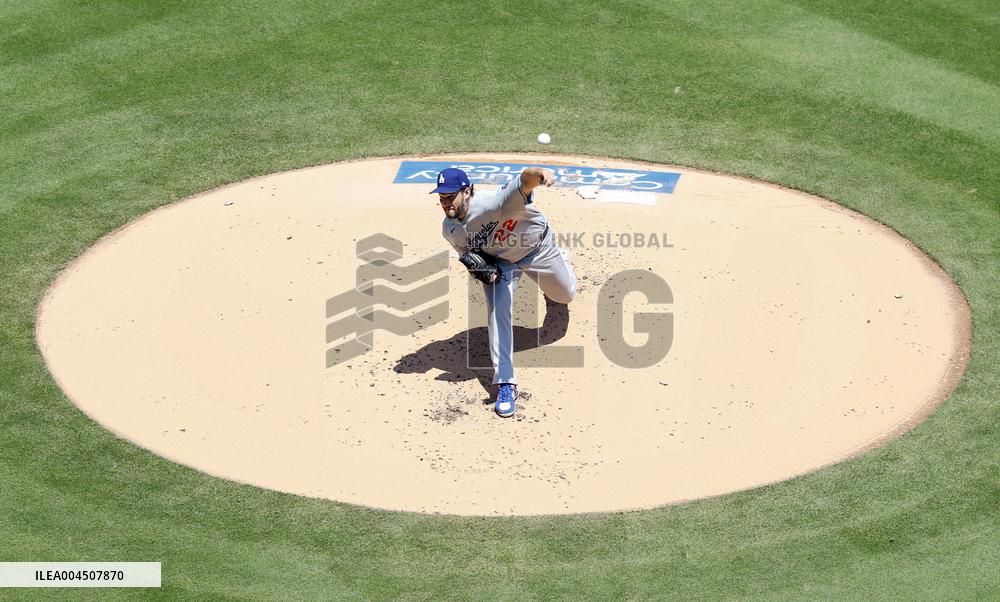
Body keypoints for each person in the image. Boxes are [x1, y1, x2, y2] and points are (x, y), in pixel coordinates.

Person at [431, 167, 577, 417]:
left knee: (564, 295)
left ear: (466, 192)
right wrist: (481, 270)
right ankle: (506, 384)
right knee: (497, 311)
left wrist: (539, 174)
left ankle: (561, 263)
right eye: (442, 197)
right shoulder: (450, 229)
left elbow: (523, 181)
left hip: (538, 248)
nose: (445, 203)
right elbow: (468, 255)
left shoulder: (495, 202)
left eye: (450, 196)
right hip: (503, 264)